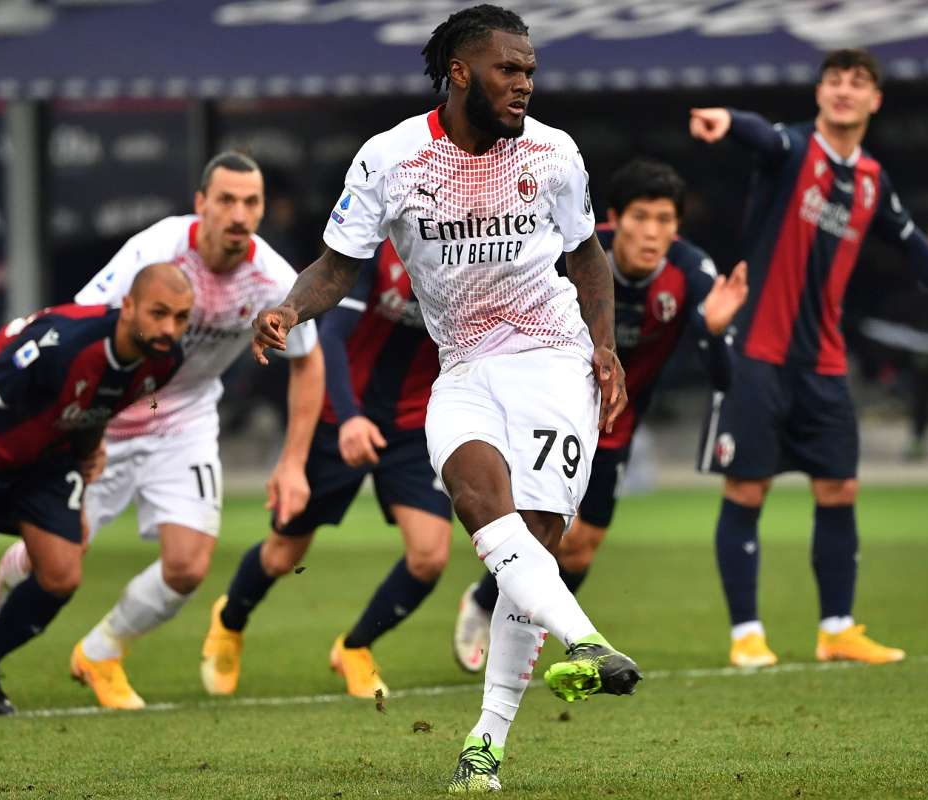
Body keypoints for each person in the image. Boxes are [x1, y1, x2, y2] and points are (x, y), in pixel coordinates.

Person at [250, 5, 640, 792]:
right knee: (477, 503)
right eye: (509, 69)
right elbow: (337, 266)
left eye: (530, 71)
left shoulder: (554, 154)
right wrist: (289, 309)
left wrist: (603, 346)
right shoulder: (392, 158)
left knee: (533, 546)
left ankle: (484, 747)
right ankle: (589, 642)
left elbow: (588, 257)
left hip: (553, 360)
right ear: (460, 72)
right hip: (462, 367)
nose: (524, 84)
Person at [0, 152, 324, 710]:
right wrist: (66, 430)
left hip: (186, 418)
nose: (239, 214)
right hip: (108, 417)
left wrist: (292, 462)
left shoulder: (273, 278)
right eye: (226, 200)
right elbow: (82, 325)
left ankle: (101, 652)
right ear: (201, 203)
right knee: (54, 553)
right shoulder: (156, 250)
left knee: (188, 567)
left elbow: (308, 360)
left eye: (251, 202)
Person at [688, 48, 928, 668]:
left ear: (875, 100)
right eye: (834, 80)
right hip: (756, 352)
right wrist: (728, 119)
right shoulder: (792, 149)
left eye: (858, 83)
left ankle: (836, 630)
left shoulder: (872, 180)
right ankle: (747, 635)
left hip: (824, 363)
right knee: (747, 489)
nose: (844, 90)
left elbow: (916, 248)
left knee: (839, 488)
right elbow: (761, 135)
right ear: (819, 92)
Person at [452, 157, 748, 671]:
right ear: (614, 218)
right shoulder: (576, 252)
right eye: (640, 217)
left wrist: (715, 333)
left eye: (664, 220)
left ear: (677, 227)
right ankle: (486, 610)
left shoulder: (692, 273)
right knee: (537, 527)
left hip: (613, 428)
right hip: (549, 408)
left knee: (580, 549)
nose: (651, 232)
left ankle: (507, 613)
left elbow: (723, 379)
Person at [0, 263, 192, 714]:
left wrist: (89, 456)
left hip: (45, 456)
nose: (169, 328)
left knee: (62, 572)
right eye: (159, 313)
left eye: (181, 317)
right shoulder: (64, 343)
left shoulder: (165, 361)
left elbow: (100, 403)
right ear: (128, 307)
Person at [201, 239, 452, 699]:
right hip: (340, 414)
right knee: (282, 556)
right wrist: (350, 417)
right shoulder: (381, 250)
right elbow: (331, 336)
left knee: (430, 556)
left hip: (413, 423)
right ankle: (230, 620)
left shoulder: (478, 256)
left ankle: (355, 648)